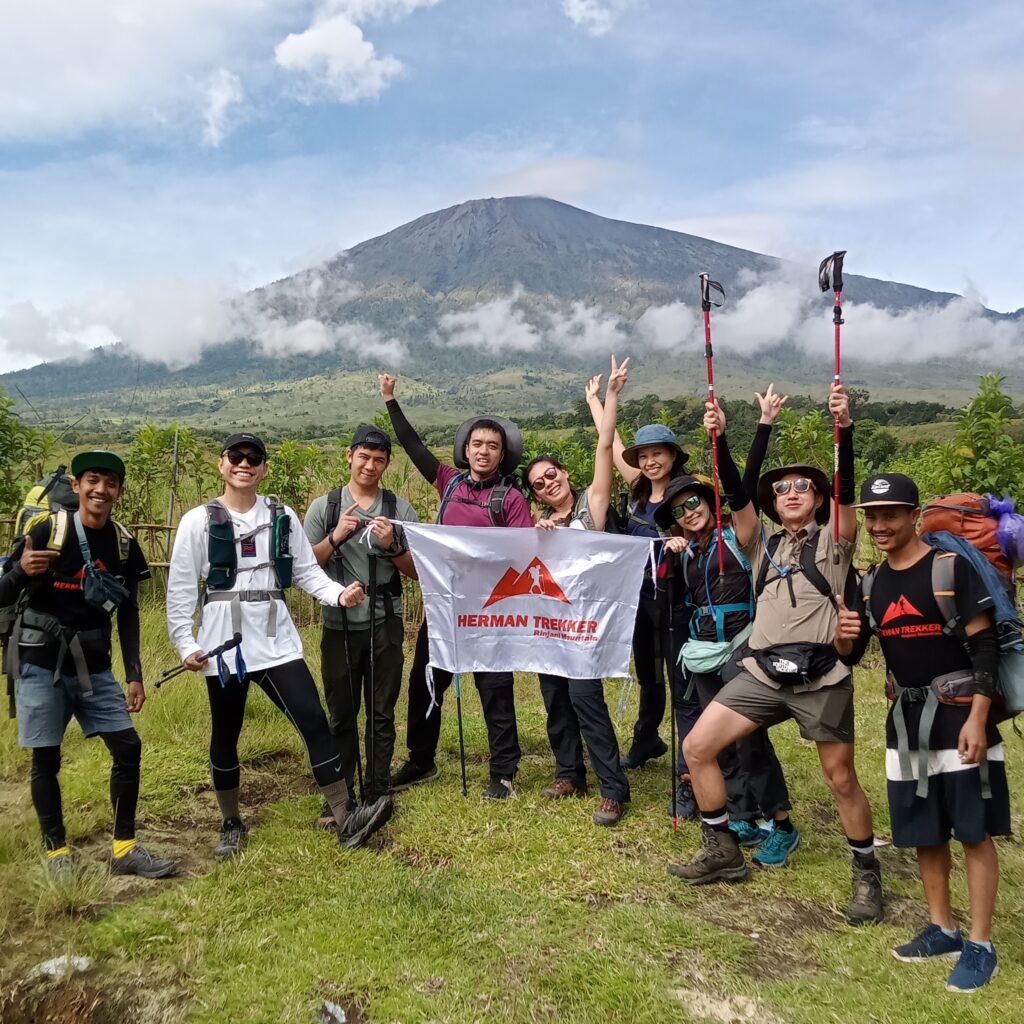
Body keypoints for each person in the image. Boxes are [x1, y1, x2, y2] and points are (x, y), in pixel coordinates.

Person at [669, 385, 884, 928]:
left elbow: (847, 492)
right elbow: (735, 493)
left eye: (803, 486)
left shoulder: (835, 542)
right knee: (698, 747)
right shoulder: (759, 543)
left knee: (840, 778)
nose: (791, 492)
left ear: (819, 499)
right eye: (782, 487)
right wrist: (719, 439)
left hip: (823, 673)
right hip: (762, 671)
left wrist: (844, 429)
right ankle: (722, 849)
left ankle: (866, 871)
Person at [166, 432, 393, 857]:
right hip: (224, 644)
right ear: (222, 463)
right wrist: (184, 642)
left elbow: (306, 571)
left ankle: (345, 816)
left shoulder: (281, 515)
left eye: (254, 458)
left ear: (264, 468)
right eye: (236, 456)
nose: (244, 464)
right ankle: (231, 821)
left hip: (275, 640)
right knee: (226, 731)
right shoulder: (198, 521)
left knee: (313, 720)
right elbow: (180, 587)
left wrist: (338, 594)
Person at [835, 473, 1008, 992]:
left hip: (960, 714)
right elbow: (854, 655)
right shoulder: (871, 582)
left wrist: (978, 718)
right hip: (905, 720)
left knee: (973, 829)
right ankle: (942, 927)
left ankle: (980, 943)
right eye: (872, 516)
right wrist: (843, 638)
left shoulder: (949, 568)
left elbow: (984, 647)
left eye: (890, 515)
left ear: (914, 517)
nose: (879, 525)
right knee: (924, 827)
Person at [0, 450, 176, 879]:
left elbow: (129, 611)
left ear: (119, 491)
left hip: (94, 666)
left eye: (110, 483)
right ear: (77, 486)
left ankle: (124, 849)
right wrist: (21, 571)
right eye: (93, 480)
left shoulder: (123, 543)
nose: (101, 490)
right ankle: (57, 853)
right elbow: (4, 591)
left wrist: (134, 675)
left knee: (128, 747)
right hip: (40, 662)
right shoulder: (47, 530)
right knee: (46, 759)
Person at [655, 386, 796, 863]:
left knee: (750, 737)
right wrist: (669, 553)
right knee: (718, 741)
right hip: (703, 650)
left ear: (708, 502)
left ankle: (780, 822)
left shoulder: (740, 536)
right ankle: (741, 814)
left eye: (694, 502)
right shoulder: (686, 552)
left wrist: (737, 433)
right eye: (679, 510)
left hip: (742, 646)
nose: (689, 512)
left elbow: (741, 486)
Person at [381, 376, 534, 799]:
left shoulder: (510, 499)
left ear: (503, 454)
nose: (483, 451)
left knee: (494, 687)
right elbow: (414, 448)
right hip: (446, 603)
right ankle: (421, 759)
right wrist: (391, 401)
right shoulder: (448, 482)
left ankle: (503, 770)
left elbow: (524, 553)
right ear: (465, 449)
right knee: (425, 681)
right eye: (476, 443)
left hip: (490, 609)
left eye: (492, 446)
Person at [526, 355, 633, 826]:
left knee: (587, 700)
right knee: (555, 699)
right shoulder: (539, 524)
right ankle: (569, 772)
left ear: (566, 474)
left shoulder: (593, 506)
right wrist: (539, 535)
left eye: (551, 474)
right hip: (551, 625)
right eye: (538, 484)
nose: (547, 484)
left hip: (587, 625)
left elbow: (606, 445)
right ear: (535, 495)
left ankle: (613, 788)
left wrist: (607, 397)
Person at [304, 425, 419, 823]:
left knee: (381, 711)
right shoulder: (325, 508)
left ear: (387, 464)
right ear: (349, 456)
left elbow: (416, 571)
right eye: (364, 457)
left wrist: (393, 545)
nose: (370, 466)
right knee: (342, 712)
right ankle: (341, 796)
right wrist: (336, 537)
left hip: (385, 621)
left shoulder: (399, 509)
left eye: (379, 460)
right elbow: (307, 566)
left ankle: (378, 790)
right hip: (339, 624)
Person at [586, 390, 695, 791]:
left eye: (657, 454)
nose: (650, 462)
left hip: (678, 600)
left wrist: (684, 543)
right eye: (644, 456)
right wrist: (598, 401)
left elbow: (704, 535)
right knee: (649, 675)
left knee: (682, 681)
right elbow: (610, 444)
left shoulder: (687, 495)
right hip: (640, 598)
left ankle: (690, 765)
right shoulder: (638, 489)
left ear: (673, 455)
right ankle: (647, 738)